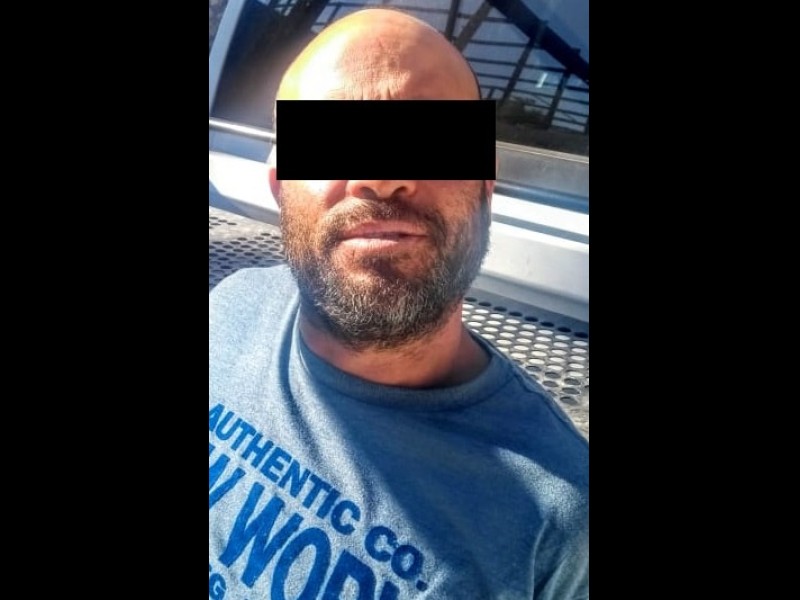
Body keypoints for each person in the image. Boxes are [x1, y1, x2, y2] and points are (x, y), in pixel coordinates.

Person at [209, 8, 588, 600]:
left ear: (485, 180)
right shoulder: (229, 307)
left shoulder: (562, 517)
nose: (382, 178)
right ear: (281, 184)